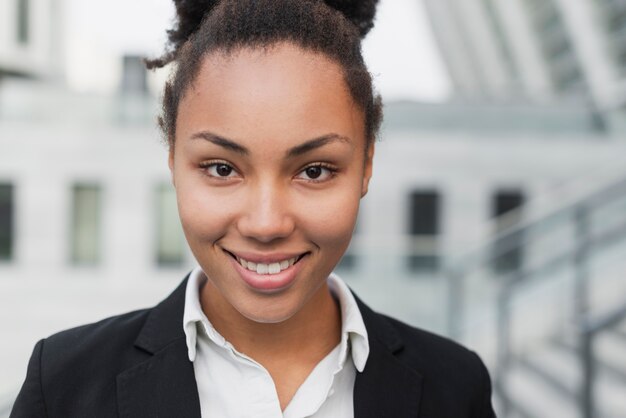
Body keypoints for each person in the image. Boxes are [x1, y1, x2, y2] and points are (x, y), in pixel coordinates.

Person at [10, 0, 496, 417]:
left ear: (367, 163)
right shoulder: (64, 387)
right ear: (173, 160)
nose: (266, 224)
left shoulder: (454, 388)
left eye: (314, 170)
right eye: (222, 169)